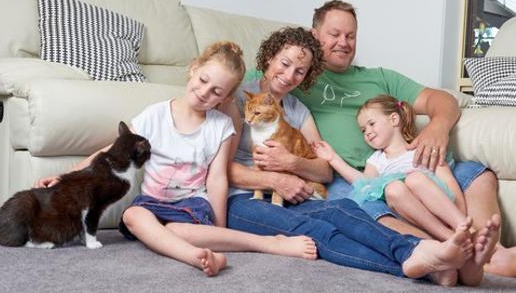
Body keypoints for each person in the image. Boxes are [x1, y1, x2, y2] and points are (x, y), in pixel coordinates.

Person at [223, 26, 494, 286]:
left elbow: (323, 170)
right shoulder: (238, 97)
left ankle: (431, 255)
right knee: (316, 231)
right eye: (284, 63)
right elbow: (219, 169)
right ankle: (421, 265)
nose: (289, 75)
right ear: (269, 57)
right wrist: (274, 180)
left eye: (300, 71)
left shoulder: (298, 109)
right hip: (244, 198)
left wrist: (294, 163)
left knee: (345, 209)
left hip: (293, 193)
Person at [34, 41, 319, 277]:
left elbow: (218, 178)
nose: (204, 92)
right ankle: (201, 256)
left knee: (178, 229)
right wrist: (64, 176)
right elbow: (110, 153)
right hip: (152, 203)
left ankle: (271, 244)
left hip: (193, 204)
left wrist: (218, 229)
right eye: (203, 80)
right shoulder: (155, 115)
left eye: (216, 92)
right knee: (133, 216)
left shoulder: (219, 126)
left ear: (225, 98)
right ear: (193, 70)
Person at [289, 0, 515, 278]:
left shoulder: (379, 77)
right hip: (354, 178)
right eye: (334, 35)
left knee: (477, 173)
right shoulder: (297, 77)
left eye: (351, 36)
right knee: (359, 207)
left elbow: (441, 99)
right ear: (314, 36)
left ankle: (491, 253)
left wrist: (438, 127)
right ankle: (444, 251)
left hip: (409, 163)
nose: (343, 43)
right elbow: (257, 86)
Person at [312, 95, 469, 242]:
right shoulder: (376, 160)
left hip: (440, 205)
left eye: (371, 124)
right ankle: (447, 237)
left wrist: (461, 214)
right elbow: (364, 182)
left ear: (394, 119)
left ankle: (464, 227)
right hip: (413, 215)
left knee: (415, 178)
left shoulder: (421, 149)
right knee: (393, 189)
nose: (367, 132)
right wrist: (333, 159)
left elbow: (448, 180)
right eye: (363, 130)